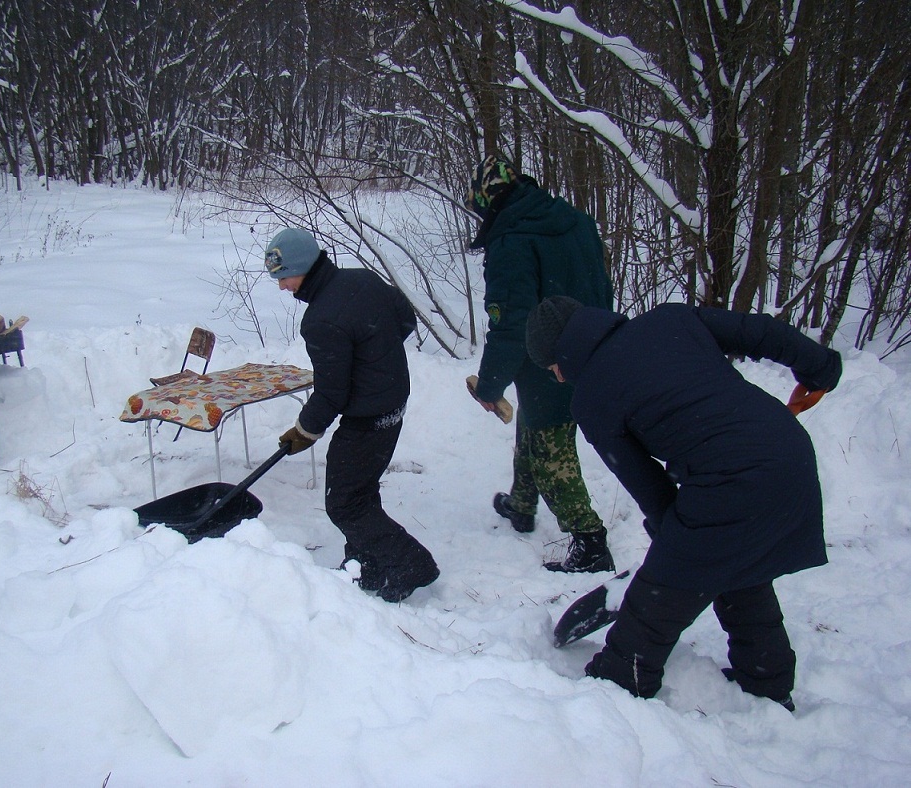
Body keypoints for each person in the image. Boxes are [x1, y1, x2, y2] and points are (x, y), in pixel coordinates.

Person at [525, 296, 843, 710]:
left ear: (562, 357)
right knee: (733, 560)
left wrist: (670, 549)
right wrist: (820, 366)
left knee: (659, 598)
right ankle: (766, 680)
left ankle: (615, 687)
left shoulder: (592, 398)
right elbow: (760, 332)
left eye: (552, 369)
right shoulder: (669, 319)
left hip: (732, 478)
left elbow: (650, 489)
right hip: (788, 451)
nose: (558, 378)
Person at [265, 227, 439, 603]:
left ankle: (412, 564)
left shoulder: (320, 320)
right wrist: (376, 358)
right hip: (392, 404)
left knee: (344, 503)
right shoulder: (362, 279)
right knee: (360, 491)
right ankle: (366, 565)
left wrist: (304, 430)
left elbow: (331, 393)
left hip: (367, 419)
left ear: (303, 267)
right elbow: (405, 319)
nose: (282, 287)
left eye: (284, 277)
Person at [464, 154, 614, 573]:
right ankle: (522, 504)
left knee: (552, 448)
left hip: (549, 357)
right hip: (593, 340)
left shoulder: (512, 239)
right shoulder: (574, 219)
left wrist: (490, 385)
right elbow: (603, 285)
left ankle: (590, 542)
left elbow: (511, 322)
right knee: (532, 421)